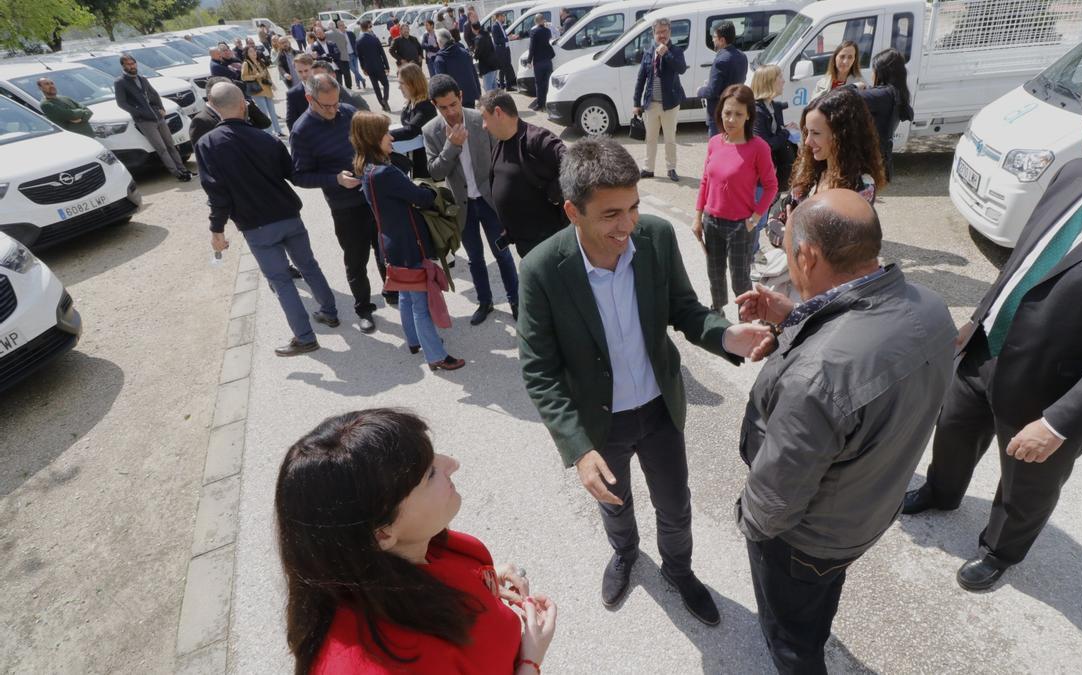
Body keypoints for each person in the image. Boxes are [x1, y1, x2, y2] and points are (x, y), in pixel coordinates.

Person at [903, 57, 1082, 592]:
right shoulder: (1071, 176)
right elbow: (1024, 261)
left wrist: (1061, 422)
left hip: (1053, 393)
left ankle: (1001, 550)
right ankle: (943, 493)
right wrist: (978, 318)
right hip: (984, 352)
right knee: (951, 431)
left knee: (1028, 484)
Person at [517, 137, 772, 626]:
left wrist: (726, 336)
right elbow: (539, 369)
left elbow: (685, 310)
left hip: (659, 411)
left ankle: (678, 570)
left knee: (675, 505)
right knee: (616, 504)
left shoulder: (655, 238)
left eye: (633, 207)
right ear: (573, 211)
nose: (628, 224)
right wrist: (577, 446)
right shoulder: (542, 270)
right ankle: (626, 553)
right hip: (600, 421)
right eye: (611, 214)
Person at [735, 190, 956, 672]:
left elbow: (772, 505)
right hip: (868, 507)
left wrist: (747, 523)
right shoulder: (932, 307)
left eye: (784, 243)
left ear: (808, 256)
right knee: (819, 600)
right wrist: (792, 316)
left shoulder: (818, 377)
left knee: (793, 638)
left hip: (807, 538)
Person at [276, 409, 556, 673]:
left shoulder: (410, 552)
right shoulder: (375, 664)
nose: (452, 464)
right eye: (429, 474)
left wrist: (485, 579)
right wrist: (531, 659)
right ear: (383, 533)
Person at [198, 82, 340, 358]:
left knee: (281, 280)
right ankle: (330, 311)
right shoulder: (267, 138)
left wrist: (217, 229)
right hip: (287, 213)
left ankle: (305, 337)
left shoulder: (208, 144)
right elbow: (291, 172)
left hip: (256, 224)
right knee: (308, 264)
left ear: (213, 108)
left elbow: (217, 193)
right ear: (244, 105)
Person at [352, 112, 465, 371]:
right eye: (385, 133)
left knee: (405, 294)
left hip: (391, 243)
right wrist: (426, 190)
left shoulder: (367, 168)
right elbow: (421, 197)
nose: (391, 137)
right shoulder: (385, 173)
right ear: (372, 138)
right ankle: (436, 356)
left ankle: (415, 341)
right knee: (421, 303)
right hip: (407, 244)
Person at [291, 74, 387, 334]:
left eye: (336, 103)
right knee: (356, 259)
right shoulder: (302, 131)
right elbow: (300, 176)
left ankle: (393, 293)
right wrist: (334, 179)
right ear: (309, 99)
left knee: (383, 249)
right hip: (345, 206)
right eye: (327, 106)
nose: (334, 110)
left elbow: (368, 143)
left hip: (373, 196)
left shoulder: (348, 112)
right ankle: (364, 308)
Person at [422, 74, 519, 325]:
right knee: (475, 258)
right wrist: (451, 147)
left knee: (503, 255)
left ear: (461, 97)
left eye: (453, 104)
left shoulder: (479, 120)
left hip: (490, 202)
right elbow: (435, 172)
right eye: (443, 107)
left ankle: (516, 301)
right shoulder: (431, 131)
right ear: (435, 105)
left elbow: (502, 156)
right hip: (462, 208)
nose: (451, 111)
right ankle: (485, 302)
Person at [693, 84, 777, 314]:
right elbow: (705, 182)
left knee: (740, 281)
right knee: (715, 274)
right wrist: (698, 217)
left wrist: (754, 219)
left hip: (741, 226)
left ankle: (746, 318)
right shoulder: (714, 143)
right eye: (727, 112)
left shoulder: (758, 147)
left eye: (738, 114)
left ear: (749, 115)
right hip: (712, 222)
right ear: (720, 111)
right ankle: (717, 310)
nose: (731, 119)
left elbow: (771, 186)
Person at [479, 89, 567, 255]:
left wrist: (555, 191)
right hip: (525, 246)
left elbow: (573, 163)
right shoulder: (500, 146)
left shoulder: (537, 139)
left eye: (485, 118)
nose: (484, 126)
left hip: (551, 246)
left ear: (498, 112)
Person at [788, 87, 887, 207]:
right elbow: (783, 210)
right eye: (806, 132)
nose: (807, 141)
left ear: (842, 136)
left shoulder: (860, 187)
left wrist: (791, 222)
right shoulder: (810, 171)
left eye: (816, 133)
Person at [113, 54, 192, 181]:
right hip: (144, 121)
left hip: (158, 118)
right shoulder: (120, 82)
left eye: (133, 63)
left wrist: (160, 108)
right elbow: (121, 103)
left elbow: (154, 94)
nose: (132, 66)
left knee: (171, 145)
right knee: (162, 148)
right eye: (128, 64)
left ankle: (183, 169)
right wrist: (138, 112)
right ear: (123, 66)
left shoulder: (142, 79)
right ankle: (177, 174)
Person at [633, 18, 687, 182]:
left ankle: (671, 168)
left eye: (665, 31)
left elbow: (681, 69)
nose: (662, 35)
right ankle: (648, 169)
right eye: (659, 32)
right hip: (651, 103)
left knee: (670, 138)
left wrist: (666, 53)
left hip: (669, 104)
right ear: (654, 34)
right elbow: (641, 78)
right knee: (650, 138)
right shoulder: (648, 51)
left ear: (670, 32)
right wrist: (636, 103)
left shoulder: (676, 50)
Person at [851, 48, 914, 180]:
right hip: (880, 160)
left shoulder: (883, 94)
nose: (872, 74)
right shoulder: (897, 93)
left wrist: (855, 86)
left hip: (867, 163)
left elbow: (843, 97)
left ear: (881, 72)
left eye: (874, 70)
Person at [750, 64, 794, 252]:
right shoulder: (757, 111)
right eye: (780, 77)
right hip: (759, 175)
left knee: (763, 215)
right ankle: (750, 255)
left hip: (774, 171)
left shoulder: (773, 106)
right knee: (757, 219)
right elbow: (765, 144)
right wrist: (785, 133)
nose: (783, 81)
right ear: (769, 82)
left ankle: (754, 249)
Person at [190, 76, 273, 146]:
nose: (230, 97)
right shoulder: (200, 121)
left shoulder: (239, 107)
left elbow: (265, 123)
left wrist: (248, 106)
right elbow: (203, 152)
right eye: (225, 94)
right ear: (210, 97)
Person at [697, 22, 747, 137]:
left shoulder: (721, 60)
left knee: (718, 150)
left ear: (722, 40)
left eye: (714, 37)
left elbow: (712, 91)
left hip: (719, 114)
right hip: (736, 109)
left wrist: (700, 90)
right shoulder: (742, 56)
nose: (713, 40)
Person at [394, 64, 436, 178]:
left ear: (413, 83)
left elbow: (411, 130)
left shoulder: (426, 106)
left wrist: (382, 134)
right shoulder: (410, 102)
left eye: (401, 83)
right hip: (413, 157)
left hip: (426, 162)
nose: (399, 87)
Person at [429, 28, 482, 109]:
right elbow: (474, 74)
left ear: (439, 42)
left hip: (453, 101)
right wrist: (478, 93)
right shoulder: (464, 52)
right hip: (469, 96)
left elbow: (442, 85)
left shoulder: (440, 59)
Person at [240, 45, 284, 137]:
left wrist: (272, 84)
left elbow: (266, 73)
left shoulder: (260, 61)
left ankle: (278, 131)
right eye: (251, 51)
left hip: (266, 88)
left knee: (272, 111)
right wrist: (256, 76)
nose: (254, 53)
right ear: (247, 54)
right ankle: (269, 133)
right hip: (257, 90)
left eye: (254, 51)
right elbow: (243, 77)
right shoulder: (246, 63)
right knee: (264, 112)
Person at [357, 20, 391, 111]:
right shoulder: (374, 39)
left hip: (369, 67)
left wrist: (363, 68)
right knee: (386, 84)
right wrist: (387, 66)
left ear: (361, 28)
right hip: (379, 65)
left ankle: (382, 104)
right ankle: (385, 100)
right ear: (368, 27)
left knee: (376, 87)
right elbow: (382, 53)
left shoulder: (358, 41)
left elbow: (360, 57)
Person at [528, 14, 554, 111]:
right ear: (543, 20)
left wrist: (529, 60)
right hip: (548, 60)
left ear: (535, 22)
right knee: (547, 83)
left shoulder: (534, 32)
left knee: (539, 84)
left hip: (538, 62)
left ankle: (540, 104)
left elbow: (532, 48)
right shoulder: (547, 31)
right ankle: (548, 103)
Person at [285, 53, 316, 131]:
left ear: (312, 68)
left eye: (306, 70)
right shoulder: (293, 94)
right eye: (300, 72)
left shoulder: (326, 84)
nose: (304, 74)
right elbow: (291, 122)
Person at [471, 22, 500, 92]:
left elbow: (477, 54)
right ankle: (498, 101)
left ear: (473, 29)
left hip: (487, 66)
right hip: (494, 64)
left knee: (488, 89)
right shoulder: (487, 34)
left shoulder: (479, 38)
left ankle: (492, 102)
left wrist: (473, 54)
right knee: (494, 86)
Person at [491, 11, 517, 91]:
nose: (504, 18)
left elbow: (502, 37)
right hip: (500, 51)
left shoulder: (501, 25)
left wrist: (509, 36)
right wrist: (508, 38)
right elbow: (497, 40)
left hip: (505, 49)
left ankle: (508, 86)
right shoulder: (495, 26)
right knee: (502, 69)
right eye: (503, 16)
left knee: (507, 67)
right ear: (499, 17)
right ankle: (502, 86)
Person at [327, 21, 353, 90]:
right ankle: (345, 88)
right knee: (343, 75)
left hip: (339, 58)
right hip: (340, 58)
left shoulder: (331, 34)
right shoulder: (336, 34)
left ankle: (345, 88)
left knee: (343, 75)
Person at [342, 20, 367, 90]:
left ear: (344, 26)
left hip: (354, 54)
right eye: (340, 26)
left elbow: (355, 42)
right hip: (347, 56)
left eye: (343, 25)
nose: (342, 27)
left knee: (356, 70)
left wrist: (357, 51)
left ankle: (358, 84)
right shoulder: (339, 36)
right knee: (353, 70)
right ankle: (362, 79)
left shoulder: (350, 33)